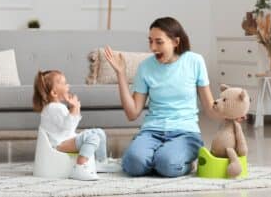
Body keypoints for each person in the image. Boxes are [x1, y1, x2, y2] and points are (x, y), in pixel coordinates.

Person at [104, 17, 244, 178]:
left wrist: (230, 115)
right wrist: (120, 74)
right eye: (150, 41)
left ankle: (180, 160)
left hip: (185, 132)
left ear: (176, 42)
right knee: (132, 164)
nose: (152, 48)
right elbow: (132, 113)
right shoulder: (145, 67)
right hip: (151, 131)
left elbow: (209, 107)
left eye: (159, 42)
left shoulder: (195, 61)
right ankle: (158, 157)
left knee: (167, 164)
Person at [33, 70, 121, 181]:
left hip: (66, 139)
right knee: (93, 138)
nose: (68, 85)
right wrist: (74, 108)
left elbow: (70, 126)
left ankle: (100, 162)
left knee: (99, 132)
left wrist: (75, 108)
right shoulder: (54, 108)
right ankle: (80, 167)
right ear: (54, 93)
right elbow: (68, 127)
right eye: (64, 84)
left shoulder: (57, 107)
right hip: (59, 144)